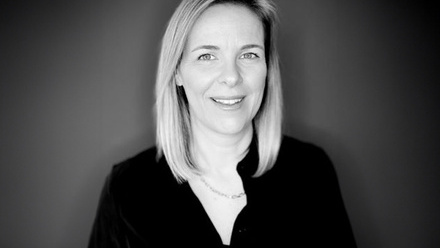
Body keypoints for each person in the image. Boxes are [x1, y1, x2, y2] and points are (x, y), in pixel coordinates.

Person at [88, 0, 357, 247]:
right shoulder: (127, 189)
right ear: (178, 71)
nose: (231, 77)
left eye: (249, 55)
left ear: (267, 68)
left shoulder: (311, 171)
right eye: (207, 56)